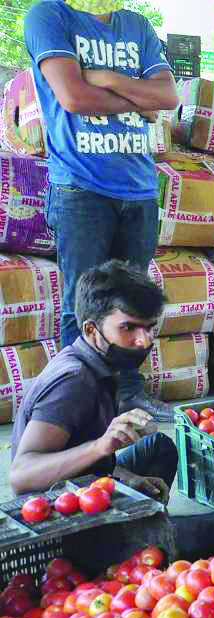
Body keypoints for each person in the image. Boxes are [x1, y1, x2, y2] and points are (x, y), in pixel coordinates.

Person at [24, 0, 179, 422]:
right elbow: (73, 96)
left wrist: (107, 78)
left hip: (140, 189)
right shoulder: (49, 16)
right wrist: (135, 97)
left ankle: (128, 394)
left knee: (133, 305)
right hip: (80, 187)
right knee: (83, 304)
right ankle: (77, 406)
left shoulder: (137, 26)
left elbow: (167, 96)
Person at [10, 260, 176, 499]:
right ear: (91, 330)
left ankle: (144, 524)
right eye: (128, 328)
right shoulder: (74, 382)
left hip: (86, 479)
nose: (145, 341)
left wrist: (129, 478)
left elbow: (94, 463)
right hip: (60, 508)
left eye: (149, 327)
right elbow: (21, 476)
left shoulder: (101, 363)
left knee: (160, 445)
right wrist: (100, 446)